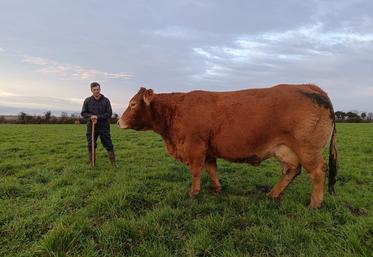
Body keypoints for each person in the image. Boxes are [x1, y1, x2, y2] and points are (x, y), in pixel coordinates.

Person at [81, 82, 117, 167]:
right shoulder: (87, 101)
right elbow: (83, 113)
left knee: (108, 144)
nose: (96, 91)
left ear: (100, 90)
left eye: (98, 89)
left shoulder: (106, 100)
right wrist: (91, 117)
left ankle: (113, 163)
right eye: (94, 90)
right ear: (91, 90)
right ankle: (92, 163)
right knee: (91, 144)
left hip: (104, 126)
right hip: (91, 126)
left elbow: (109, 113)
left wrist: (97, 117)